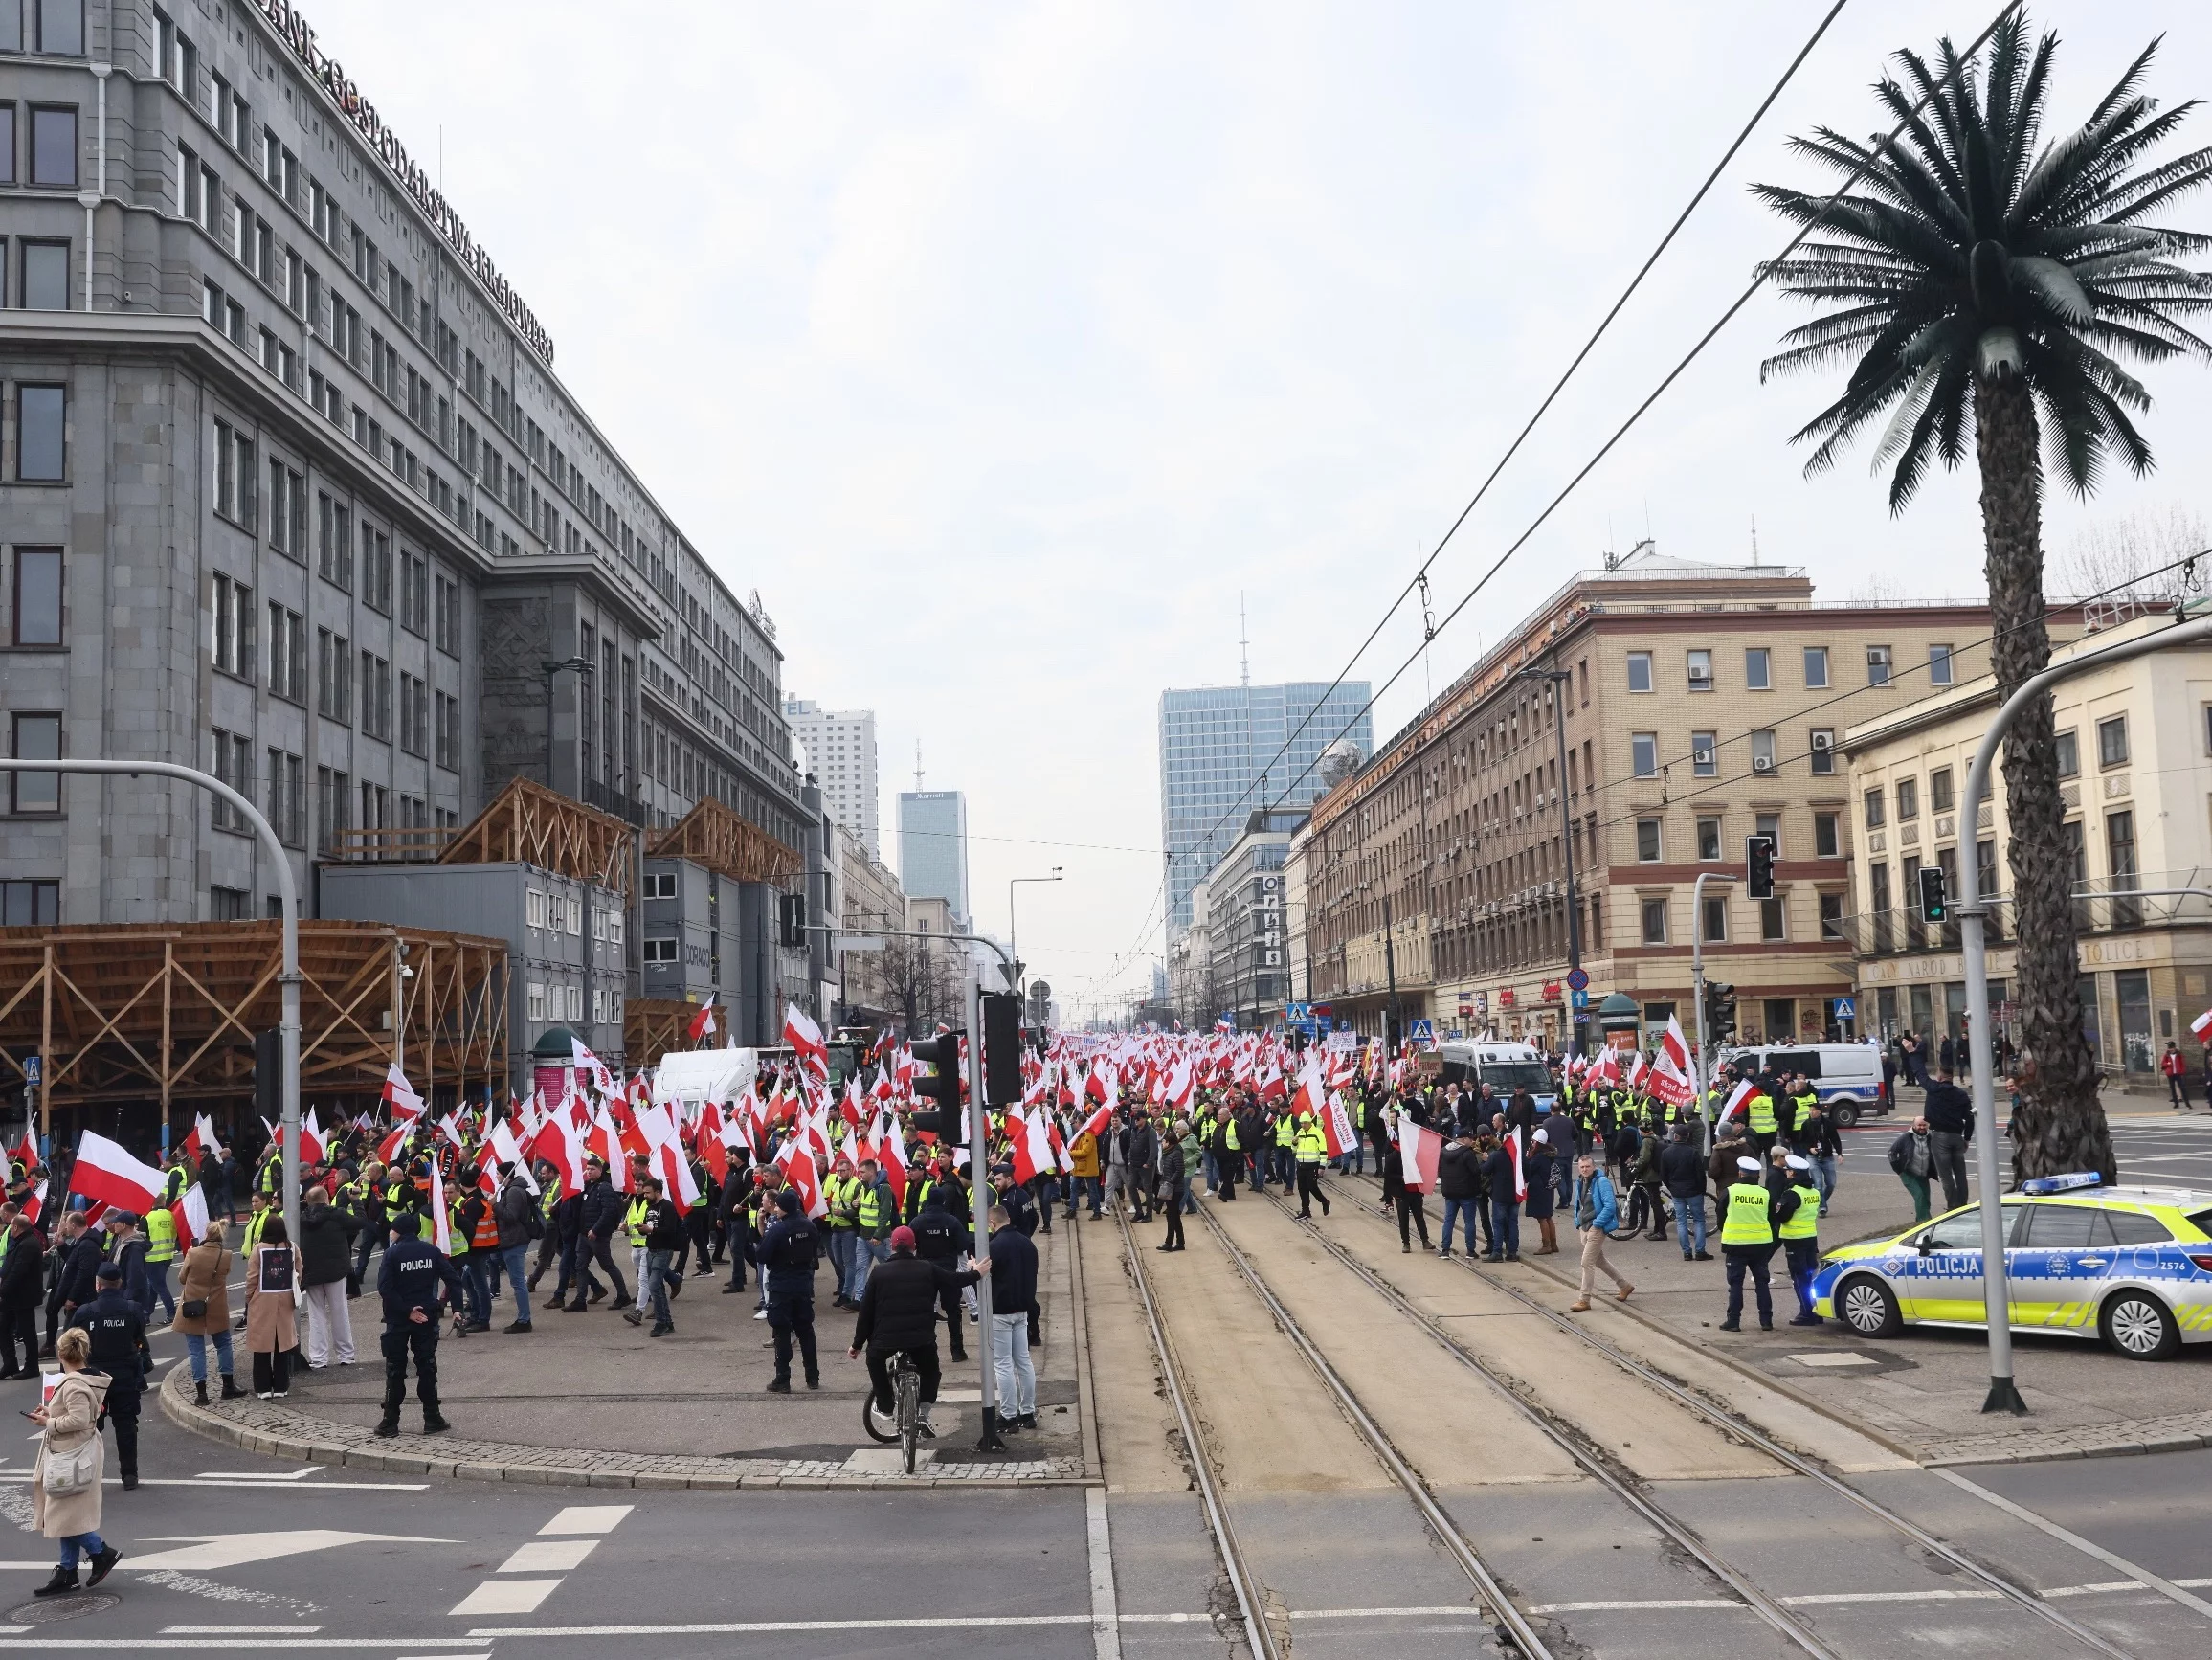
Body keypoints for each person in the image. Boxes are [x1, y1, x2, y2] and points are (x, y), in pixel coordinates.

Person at [847, 1223, 985, 1438]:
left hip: (886, 1338)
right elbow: (954, 1280)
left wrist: (857, 1345)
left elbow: (865, 1313)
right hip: (922, 1337)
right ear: (914, 1247)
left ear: (892, 1247)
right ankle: (923, 1413)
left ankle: (885, 1405)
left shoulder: (879, 1272)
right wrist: (976, 1273)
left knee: (874, 1360)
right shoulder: (927, 1268)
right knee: (931, 1371)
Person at [30, 1327, 122, 1598]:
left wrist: (48, 1422)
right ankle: (68, 1571)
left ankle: (101, 1552)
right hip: (75, 1453)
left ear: (61, 1354)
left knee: (60, 1512)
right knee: (67, 1512)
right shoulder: (84, 1380)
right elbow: (78, 1415)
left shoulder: (73, 1384)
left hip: (70, 1455)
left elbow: (79, 1420)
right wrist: (51, 1412)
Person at [374, 1212, 462, 1436]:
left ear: (398, 1231)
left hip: (398, 1318)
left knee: (395, 1369)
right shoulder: (431, 1251)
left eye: (392, 1230)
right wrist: (454, 1307)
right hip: (426, 1315)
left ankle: (390, 1422)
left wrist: (406, 1311)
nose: (390, 1233)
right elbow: (453, 1279)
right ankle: (432, 1418)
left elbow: (385, 1288)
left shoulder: (391, 1254)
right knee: (427, 1367)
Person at [66, 1262, 149, 1491]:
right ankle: (129, 1475)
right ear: (120, 1283)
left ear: (97, 1284)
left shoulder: (85, 1312)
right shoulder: (132, 1309)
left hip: (94, 1381)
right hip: (124, 1377)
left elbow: (72, 1345)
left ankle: (90, 1475)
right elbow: (139, 1337)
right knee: (126, 1426)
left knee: (92, 1429)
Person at [1718, 1155, 1797, 1334]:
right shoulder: (1765, 1193)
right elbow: (1772, 1218)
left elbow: (1720, 1217)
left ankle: (1734, 1321)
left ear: (1740, 1173)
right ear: (1757, 1176)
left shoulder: (1730, 1192)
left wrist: (1729, 1231)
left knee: (1736, 1283)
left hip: (1736, 1244)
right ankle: (1766, 1320)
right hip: (1761, 1244)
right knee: (1762, 1282)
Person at [754, 1189, 821, 1392]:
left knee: (782, 1333)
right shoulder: (809, 1226)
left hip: (781, 1287)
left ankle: (782, 1379)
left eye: (778, 1206)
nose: (775, 1209)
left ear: (784, 1208)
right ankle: (813, 1377)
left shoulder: (779, 1229)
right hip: (803, 1285)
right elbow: (815, 1250)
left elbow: (762, 1255)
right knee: (806, 1331)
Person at [173, 1221, 242, 1405]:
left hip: (192, 1306)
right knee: (224, 1345)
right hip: (216, 1306)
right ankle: (227, 1386)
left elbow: (181, 1278)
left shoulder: (193, 1253)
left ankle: (201, 1393)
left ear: (206, 1234)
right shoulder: (226, 1255)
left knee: (196, 1351)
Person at [985, 1203, 1038, 1430]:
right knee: (1023, 1361)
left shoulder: (994, 1246)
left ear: (993, 1223)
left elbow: (985, 1275)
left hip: (1000, 1312)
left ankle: (1008, 1415)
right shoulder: (1027, 1243)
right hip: (1022, 1309)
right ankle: (1027, 1412)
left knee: (1003, 1364)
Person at [908, 1183, 972, 1363]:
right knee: (953, 1311)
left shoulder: (917, 1221)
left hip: (924, 1272)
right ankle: (957, 1351)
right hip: (948, 1272)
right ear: (943, 1201)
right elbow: (963, 1245)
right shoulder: (951, 1221)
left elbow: (910, 1245)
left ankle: (927, 1350)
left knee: (926, 1311)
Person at [298, 1187, 358, 1369]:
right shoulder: (337, 1215)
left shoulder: (302, 1219)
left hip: (312, 1271)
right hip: (336, 1270)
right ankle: (346, 1355)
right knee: (340, 1311)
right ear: (326, 1198)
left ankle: (318, 1358)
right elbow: (359, 1223)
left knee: (316, 1315)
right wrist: (356, 1201)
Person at [243, 1213, 300, 1398]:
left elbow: (252, 1276)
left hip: (262, 1300)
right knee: (282, 1344)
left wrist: (249, 1296)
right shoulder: (291, 1247)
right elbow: (299, 1271)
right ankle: (281, 1387)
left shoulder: (259, 1248)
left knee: (262, 1345)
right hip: (285, 1298)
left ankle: (263, 1388)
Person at [565, 1154, 631, 1312]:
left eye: (592, 1169)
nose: (589, 1172)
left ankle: (623, 1295)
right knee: (580, 1265)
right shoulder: (588, 1186)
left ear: (600, 1170)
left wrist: (596, 1229)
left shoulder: (604, 1187)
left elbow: (608, 1211)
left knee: (607, 1265)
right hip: (584, 1234)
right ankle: (580, 1300)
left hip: (597, 1236)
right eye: (587, 1169)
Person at [1568, 1155, 1633, 1312]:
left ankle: (1584, 1299)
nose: (1585, 1169)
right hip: (1584, 1226)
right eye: (1582, 1167)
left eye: (1587, 1166)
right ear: (1579, 1168)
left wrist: (1597, 1224)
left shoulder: (1601, 1181)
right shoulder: (1581, 1181)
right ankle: (1624, 1286)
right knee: (1599, 1260)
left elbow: (1610, 1206)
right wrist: (1578, 1221)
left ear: (1593, 1167)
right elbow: (1579, 1203)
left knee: (1586, 1262)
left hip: (1596, 1227)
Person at [630, 1175, 684, 1338]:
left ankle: (661, 1322)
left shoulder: (667, 1207)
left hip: (663, 1251)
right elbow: (649, 1227)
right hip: (650, 1250)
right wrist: (639, 1229)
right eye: (644, 1193)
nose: (644, 1195)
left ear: (658, 1192)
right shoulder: (649, 1207)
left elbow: (670, 1230)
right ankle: (667, 1322)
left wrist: (651, 1230)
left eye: (647, 1193)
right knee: (657, 1287)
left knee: (653, 1285)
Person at [493, 1163, 539, 1334]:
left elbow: (511, 1215)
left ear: (506, 1175)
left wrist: (494, 1206)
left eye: (497, 1174)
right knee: (517, 1281)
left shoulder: (513, 1191)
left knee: (518, 1282)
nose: (496, 1177)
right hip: (513, 1239)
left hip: (514, 1240)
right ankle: (523, 1319)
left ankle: (524, 1320)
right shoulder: (514, 1190)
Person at [1779, 1154, 1824, 1327]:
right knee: (1811, 1276)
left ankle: (1806, 1313)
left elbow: (1782, 1216)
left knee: (1799, 1278)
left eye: (1788, 1170)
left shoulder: (1792, 1194)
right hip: (1810, 1238)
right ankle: (1817, 1311)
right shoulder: (1813, 1192)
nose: (1787, 1173)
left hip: (1794, 1240)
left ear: (1794, 1173)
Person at [1921, 1067, 1974, 1211]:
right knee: (1960, 1174)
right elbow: (1970, 1118)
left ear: (1940, 1076)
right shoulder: (1961, 1094)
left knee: (1946, 1175)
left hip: (1940, 1136)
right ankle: (1963, 1204)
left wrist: (1913, 1053)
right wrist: (1967, 1138)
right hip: (1957, 1136)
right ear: (1952, 1077)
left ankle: (1952, 1206)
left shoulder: (1934, 1089)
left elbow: (1921, 1074)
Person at [0, 1208, 44, 1378]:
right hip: (13, 1296)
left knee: (27, 1332)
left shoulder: (28, 1244)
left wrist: (2, 1290)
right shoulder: (20, 1241)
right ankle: (10, 1364)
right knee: (3, 1327)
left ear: (17, 1227)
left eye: (12, 1227)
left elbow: (18, 1272)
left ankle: (31, 1367)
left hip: (23, 1296)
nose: (10, 1229)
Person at [1661, 1123, 1711, 1261]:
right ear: (1687, 1136)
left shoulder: (1666, 1153)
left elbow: (1664, 1175)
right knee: (1699, 1220)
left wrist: (1671, 1187)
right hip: (1693, 1190)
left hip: (1677, 1191)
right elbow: (1700, 1174)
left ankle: (1687, 1252)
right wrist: (1701, 1190)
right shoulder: (1692, 1152)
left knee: (1681, 1221)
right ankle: (1700, 1251)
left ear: (1675, 1136)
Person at [1379, 1120, 1430, 1252]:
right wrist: (1400, 1178)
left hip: (1415, 1191)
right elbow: (1387, 1176)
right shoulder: (1393, 1157)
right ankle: (1406, 1243)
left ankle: (1425, 1240)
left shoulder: (1415, 1155)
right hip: (1401, 1192)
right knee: (1404, 1218)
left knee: (1419, 1216)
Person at [1436, 1133, 1481, 1257]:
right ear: (1464, 1139)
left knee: (1448, 1221)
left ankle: (1445, 1249)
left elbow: (1440, 1171)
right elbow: (1476, 1171)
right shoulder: (1468, 1153)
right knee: (1469, 1222)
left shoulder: (1444, 1152)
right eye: (1471, 1140)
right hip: (1467, 1193)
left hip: (1450, 1193)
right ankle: (1470, 1250)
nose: (1473, 1142)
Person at [140, 1190, 179, 1325]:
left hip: (152, 1258)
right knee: (154, 1286)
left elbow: (141, 1240)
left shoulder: (146, 1218)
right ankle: (146, 1315)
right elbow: (175, 1233)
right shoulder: (170, 1215)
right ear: (163, 1201)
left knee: (159, 1286)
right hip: (167, 1255)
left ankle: (171, 1313)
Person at [1888, 1116, 1936, 1223]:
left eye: (1924, 1125)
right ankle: (1924, 1222)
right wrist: (1899, 1170)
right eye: (1919, 1125)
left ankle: (1921, 1221)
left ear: (1928, 1125)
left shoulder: (1931, 1137)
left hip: (1923, 1174)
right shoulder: (1906, 1137)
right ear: (1914, 1125)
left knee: (1926, 1200)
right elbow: (1891, 1153)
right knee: (1919, 1195)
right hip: (1908, 1173)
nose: (1922, 1127)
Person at [1482, 1133, 1521, 1262]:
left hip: (1500, 1195)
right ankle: (1512, 1252)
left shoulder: (1496, 1155)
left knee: (1498, 1224)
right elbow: (1527, 1172)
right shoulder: (1518, 1156)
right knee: (1513, 1223)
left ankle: (1497, 1252)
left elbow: (1485, 1170)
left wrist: (1484, 1160)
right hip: (1515, 1195)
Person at [1525, 1128, 1558, 1255]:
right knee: (1548, 1216)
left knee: (1541, 1218)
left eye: (1533, 1142)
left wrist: (1527, 1157)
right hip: (1547, 1188)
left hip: (1538, 1189)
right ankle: (1553, 1244)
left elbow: (1529, 1169)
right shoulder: (1548, 1155)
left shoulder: (1538, 1157)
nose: (1532, 1144)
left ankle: (1546, 1245)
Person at [1156, 1121, 1190, 1251]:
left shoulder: (1175, 1153)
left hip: (1175, 1189)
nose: (1162, 1144)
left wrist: (1170, 1182)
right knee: (1173, 1216)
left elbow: (1180, 1170)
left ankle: (1169, 1242)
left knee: (1171, 1215)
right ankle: (1179, 1242)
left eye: (1163, 1142)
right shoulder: (1170, 1153)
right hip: (1172, 1188)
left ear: (1168, 1143)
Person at [2162, 1041, 2191, 1110]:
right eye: (2169, 1048)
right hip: (2171, 1074)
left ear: (2174, 1048)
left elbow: (2182, 1063)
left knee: (2183, 1088)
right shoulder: (2166, 1055)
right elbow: (2163, 1064)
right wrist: (2168, 1064)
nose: (2170, 1050)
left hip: (2178, 1074)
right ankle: (2176, 1103)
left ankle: (2187, 1103)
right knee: (2172, 1089)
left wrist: (2182, 1071)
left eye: (2171, 1048)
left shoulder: (2179, 1054)